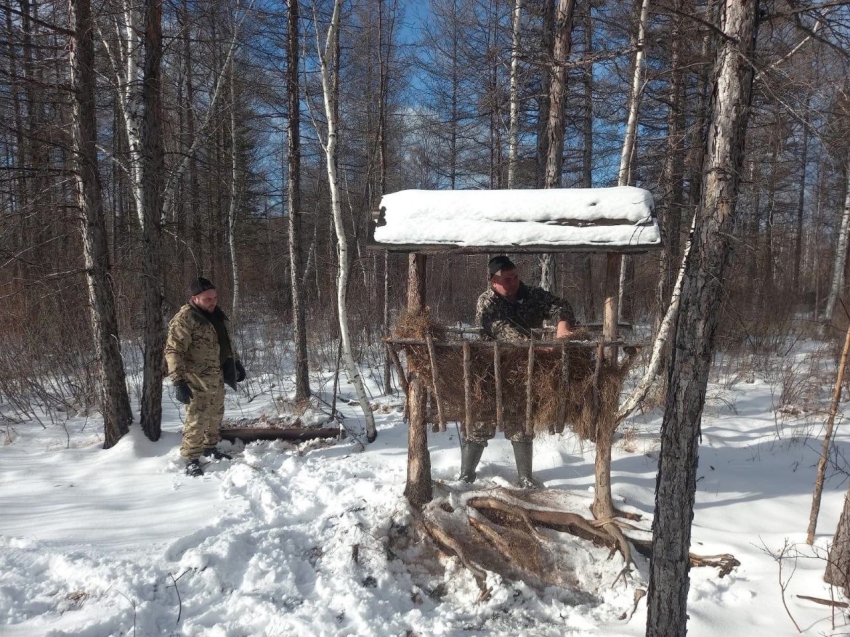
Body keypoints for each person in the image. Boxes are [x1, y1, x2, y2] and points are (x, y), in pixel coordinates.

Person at [461, 255, 576, 488]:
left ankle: (525, 477)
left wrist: (563, 322)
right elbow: (499, 329)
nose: (513, 282)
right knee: (479, 423)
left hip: (524, 370)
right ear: (493, 282)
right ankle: (466, 475)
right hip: (488, 371)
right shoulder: (487, 301)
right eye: (507, 279)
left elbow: (560, 304)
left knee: (522, 422)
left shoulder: (530, 295)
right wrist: (532, 346)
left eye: (515, 277)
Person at [165, 277, 246, 476]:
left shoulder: (217, 315)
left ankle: (210, 447)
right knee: (197, 418)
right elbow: (173, 351)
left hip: (216, 374)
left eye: (215, 297)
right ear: (195, 298)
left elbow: (226, 342)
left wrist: (235, 362)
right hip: (195, 377)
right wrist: (178, 381)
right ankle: (191, 458)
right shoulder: (186, 319)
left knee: (215, 413)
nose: (213, 301)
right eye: (208, 298)